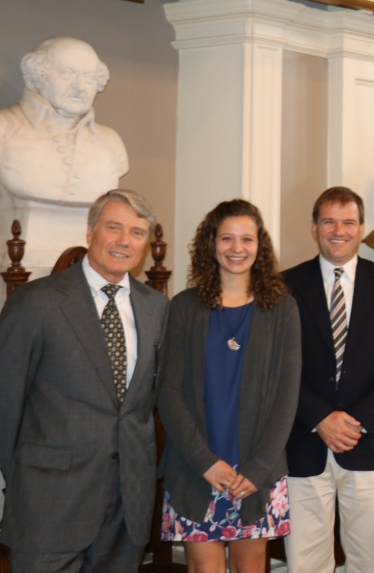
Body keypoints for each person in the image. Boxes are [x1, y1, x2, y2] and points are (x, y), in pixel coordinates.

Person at [0, 189, 169, 573]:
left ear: (146, 244)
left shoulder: (158, 309)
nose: (124, 241)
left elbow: (157, 400)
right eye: (113, 227)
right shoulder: (37, 302)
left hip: (127, 508)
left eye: (137, 232)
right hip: (49, 503)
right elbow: (1, 402)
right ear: (90, 231)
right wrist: (27, 478)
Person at [158, 200, 302, 570]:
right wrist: (205, 462)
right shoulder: (185, 307)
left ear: (260, 245)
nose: (237, 248)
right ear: (211, 243)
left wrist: (258, 468)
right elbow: (168, 392)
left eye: (247, 239)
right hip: (196, 468)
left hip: (256, 471)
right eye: (227, 238)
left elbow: (287, 396)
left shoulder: (282, 308)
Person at [281, 187, 374, 572]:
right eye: (329, 222)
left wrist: (354, 423)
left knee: (368, 560)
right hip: (304, 444)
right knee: (305, 561)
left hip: (369, 444)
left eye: (348, 222)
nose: (338, 230)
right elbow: (281, 367)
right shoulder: (285, 286)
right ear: (313, 227)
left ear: (361, 227)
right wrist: (321, 418)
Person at [0, 36, 129, 266]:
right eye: (67, 74)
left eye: (89, 77)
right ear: (37, 76)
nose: (80, 87)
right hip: (19, 260)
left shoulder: (111, 142)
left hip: (89, 264)